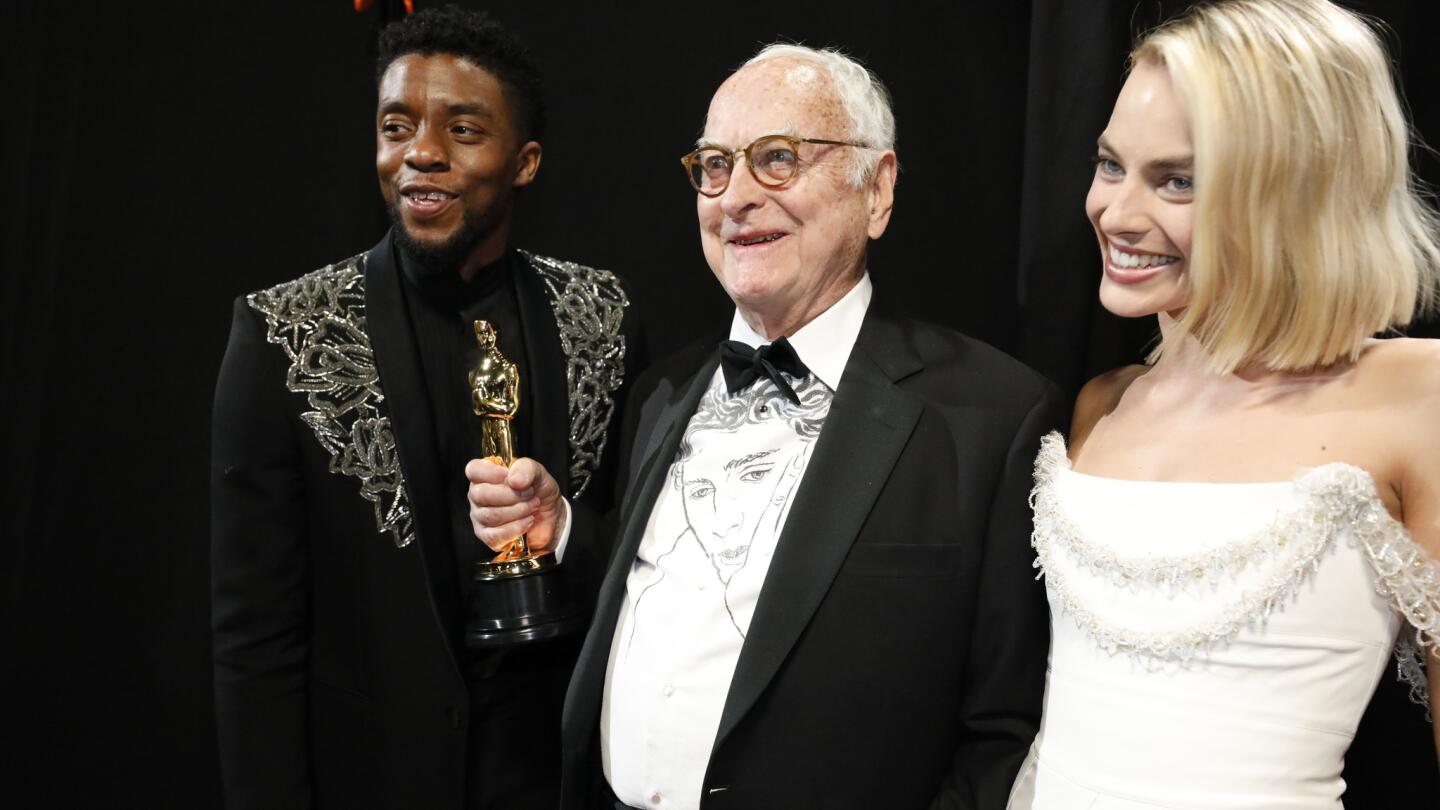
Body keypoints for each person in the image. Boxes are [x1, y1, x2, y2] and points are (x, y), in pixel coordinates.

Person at [469, 43, 1066, 809]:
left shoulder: (995, 417)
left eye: (777, 158)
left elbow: (1002, 730)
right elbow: (666, 594)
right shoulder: (660, 392)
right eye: (714, 166)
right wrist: (563, 531)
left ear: (876, 189)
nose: (735, 196)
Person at [1009, 1, 1440, 807]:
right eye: (1110, 165)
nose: (1115, 213)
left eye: (1176, 181)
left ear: (1299, 192)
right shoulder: (1103, 403)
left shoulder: (1420, 398)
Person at [210, 7, 643, 809]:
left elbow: (634, 558)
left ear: (525, 161)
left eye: (464, 130)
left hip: (557, 778)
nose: (421, 154)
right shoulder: (283, 334)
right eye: (396, 124)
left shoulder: (602, 315)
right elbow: (254, 639)